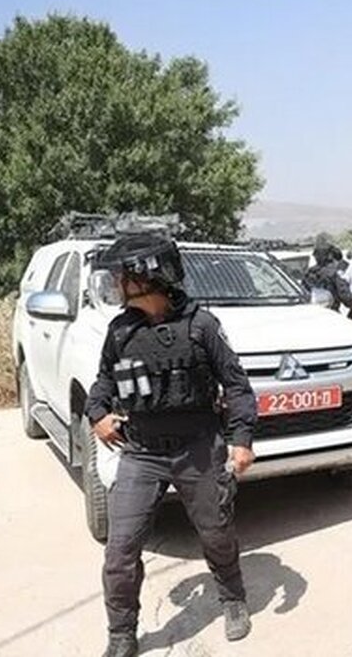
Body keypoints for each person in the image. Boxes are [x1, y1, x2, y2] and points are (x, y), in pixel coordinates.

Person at [85, 232, 256, 657]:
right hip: (142, 452)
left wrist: (242, 440)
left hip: (197, 447)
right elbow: (103, 382)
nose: (116, 284)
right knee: (120, 550)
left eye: (122, 276)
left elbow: (236, 385)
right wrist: (97, 414)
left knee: (216, 534)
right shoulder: (121, 331)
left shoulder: (201, 326)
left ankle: (233, 597)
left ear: (147, 277)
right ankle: (121, 633)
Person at [302, 243, 352, 311]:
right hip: (331, 310)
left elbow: (303, 291)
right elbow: (343, 293)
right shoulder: (333, 272)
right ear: (330, 256)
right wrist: (351, 304)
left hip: (312, 309)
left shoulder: (309, 272)